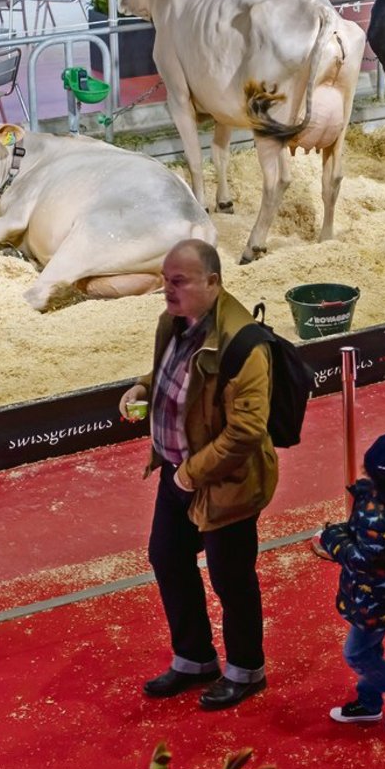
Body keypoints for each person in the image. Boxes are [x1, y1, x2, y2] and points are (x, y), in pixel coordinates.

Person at [120, 238, 276, 711]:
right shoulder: (174, 321)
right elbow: (172, 375)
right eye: (166, 279)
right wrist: (142, 387)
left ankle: (246, 670)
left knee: (231, 578)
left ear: (212, 282)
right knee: (167, 558)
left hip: (225, 483)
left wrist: (192, 473)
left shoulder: (243, 344)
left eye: (178, 280)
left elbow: (246, 431)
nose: (166, 289)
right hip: (177, 472)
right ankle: (194, 658)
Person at [318, 431, 385, 731]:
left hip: (377, 600)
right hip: (381, 597)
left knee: (357, 653)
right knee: (371, 649)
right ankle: (369, 701)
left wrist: (331, 537)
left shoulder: (381, 517)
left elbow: (362, 558)